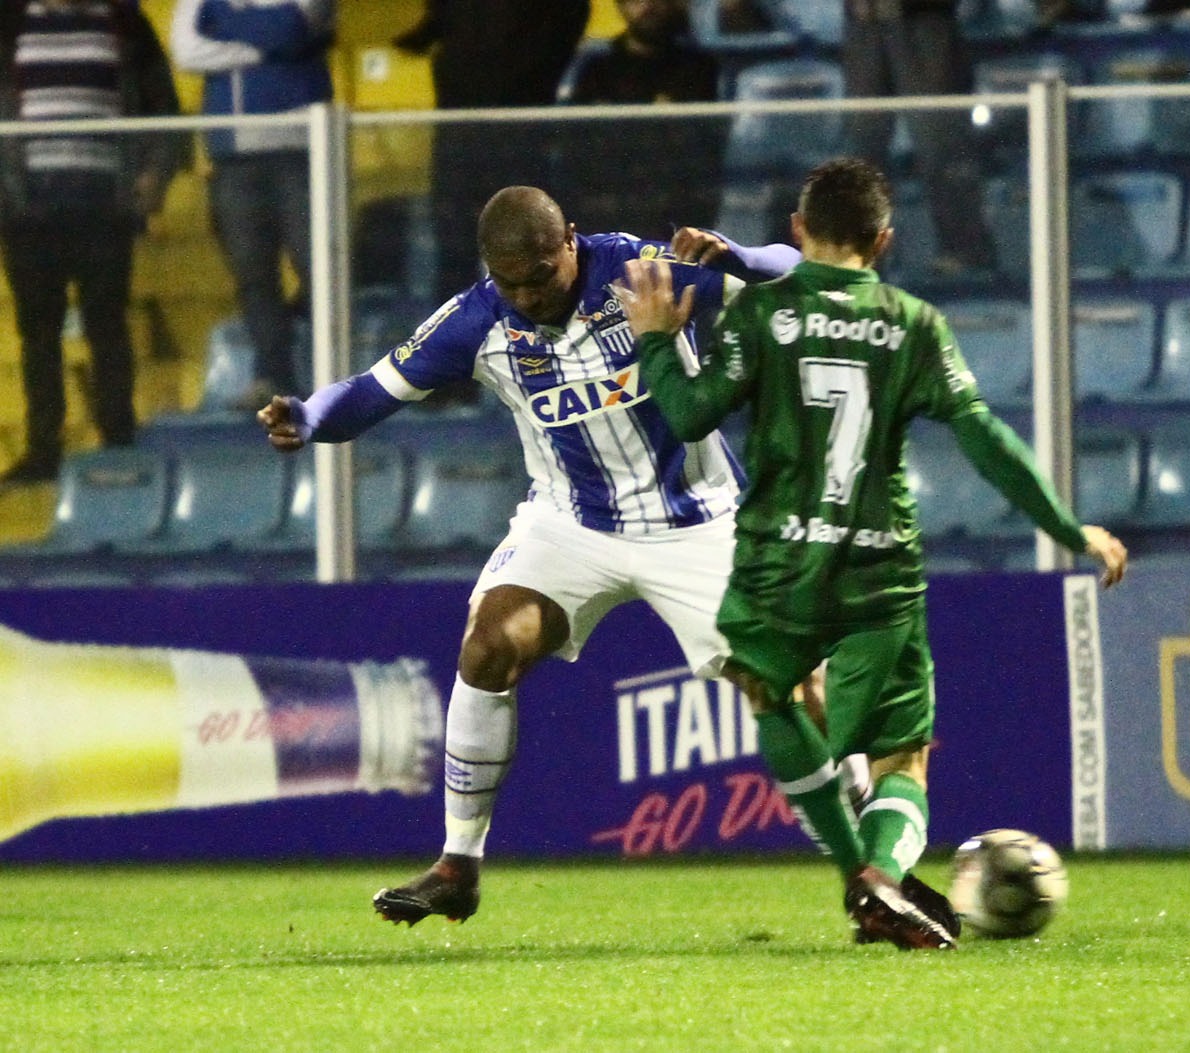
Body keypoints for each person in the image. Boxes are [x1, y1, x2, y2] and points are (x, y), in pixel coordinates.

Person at [255, 185, 800, 926]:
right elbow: (372, 392)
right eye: (510, 282)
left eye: (540, 275)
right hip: (570, 526)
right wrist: (309, 415)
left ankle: (873, 861)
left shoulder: (643, 272)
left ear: (570, 241)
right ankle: (457, 863)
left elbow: (796, 272)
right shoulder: (479, 319)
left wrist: (742, 254)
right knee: (486, 648)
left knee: (789, 687)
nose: (527, 295)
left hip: (697, 522)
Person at [620, 157, 1128, 949]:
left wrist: (657, 342)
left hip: (776, 556)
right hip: (875, 561)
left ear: (797, 231)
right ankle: (878, 873)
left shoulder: (764, 316)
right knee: (902, 757)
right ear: (884, 240)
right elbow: (984, 439)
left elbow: (688, 416)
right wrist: (1070, 529)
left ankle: (857, 868)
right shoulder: (914, 322)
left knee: (771, 694)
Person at [0, 0, 188, 483]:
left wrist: (155, 176)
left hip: (105, 208)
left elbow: (163, 105)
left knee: (108, 329)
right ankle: (43, 453)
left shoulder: (124, 19)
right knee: (38, 336)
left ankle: (117, 442)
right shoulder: (8, 18)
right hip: (27, 210)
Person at [170, 0, 334, 406]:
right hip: (233, 155)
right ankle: (274, 377)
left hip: (303, 149)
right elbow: (185, 51)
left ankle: (336, 376)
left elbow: (292, 28)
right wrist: (263, 49)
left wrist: (227, 27)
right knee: (254, 277)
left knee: (319, 270)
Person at [392, 1, 590, 296]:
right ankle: (460, 336)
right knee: (455, 251)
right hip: (457, 133)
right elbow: (429, 31)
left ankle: (536, 334)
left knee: (528, 247)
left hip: (519, 132)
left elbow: (557, 40)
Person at [841, 0, 995, 280]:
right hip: (864, 22)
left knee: (940, 145)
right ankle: (860, 255)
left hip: (924, 21)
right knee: (862, 149)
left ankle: (965, 252)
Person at [560, 0, 725, 240]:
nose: (647, 6)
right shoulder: (597, 70)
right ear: (620, 6)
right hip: (607, 203)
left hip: (673, 209)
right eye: (635, 0)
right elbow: (578, 147)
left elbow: (696, 149)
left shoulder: (698, 67)